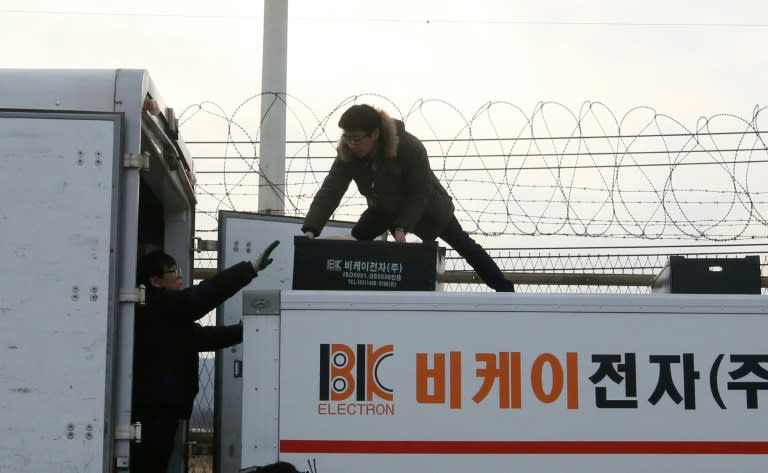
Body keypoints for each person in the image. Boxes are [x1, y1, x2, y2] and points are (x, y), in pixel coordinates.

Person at [301, 104, 515, 292]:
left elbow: (419, 192)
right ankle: (354, 296)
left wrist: (401, 227)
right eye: (346, 137)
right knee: (357, 240)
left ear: (374, 134)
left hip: (428, 209)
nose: (351, 144)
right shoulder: (347, 154)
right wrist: (311, 228)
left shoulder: (409, 147)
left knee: (464, 245)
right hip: (383, 210)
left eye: (356, 138)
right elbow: (330, 191)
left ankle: (505, 290)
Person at [130, 240, 280, 473]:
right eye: (172, 271)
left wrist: (251, 328)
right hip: (153, 413)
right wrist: (249, 269)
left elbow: (203, 337)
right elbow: (202, 297)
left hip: (161, 411)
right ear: (155, 281)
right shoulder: (157, 304)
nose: (179, 276)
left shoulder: (161, 311)